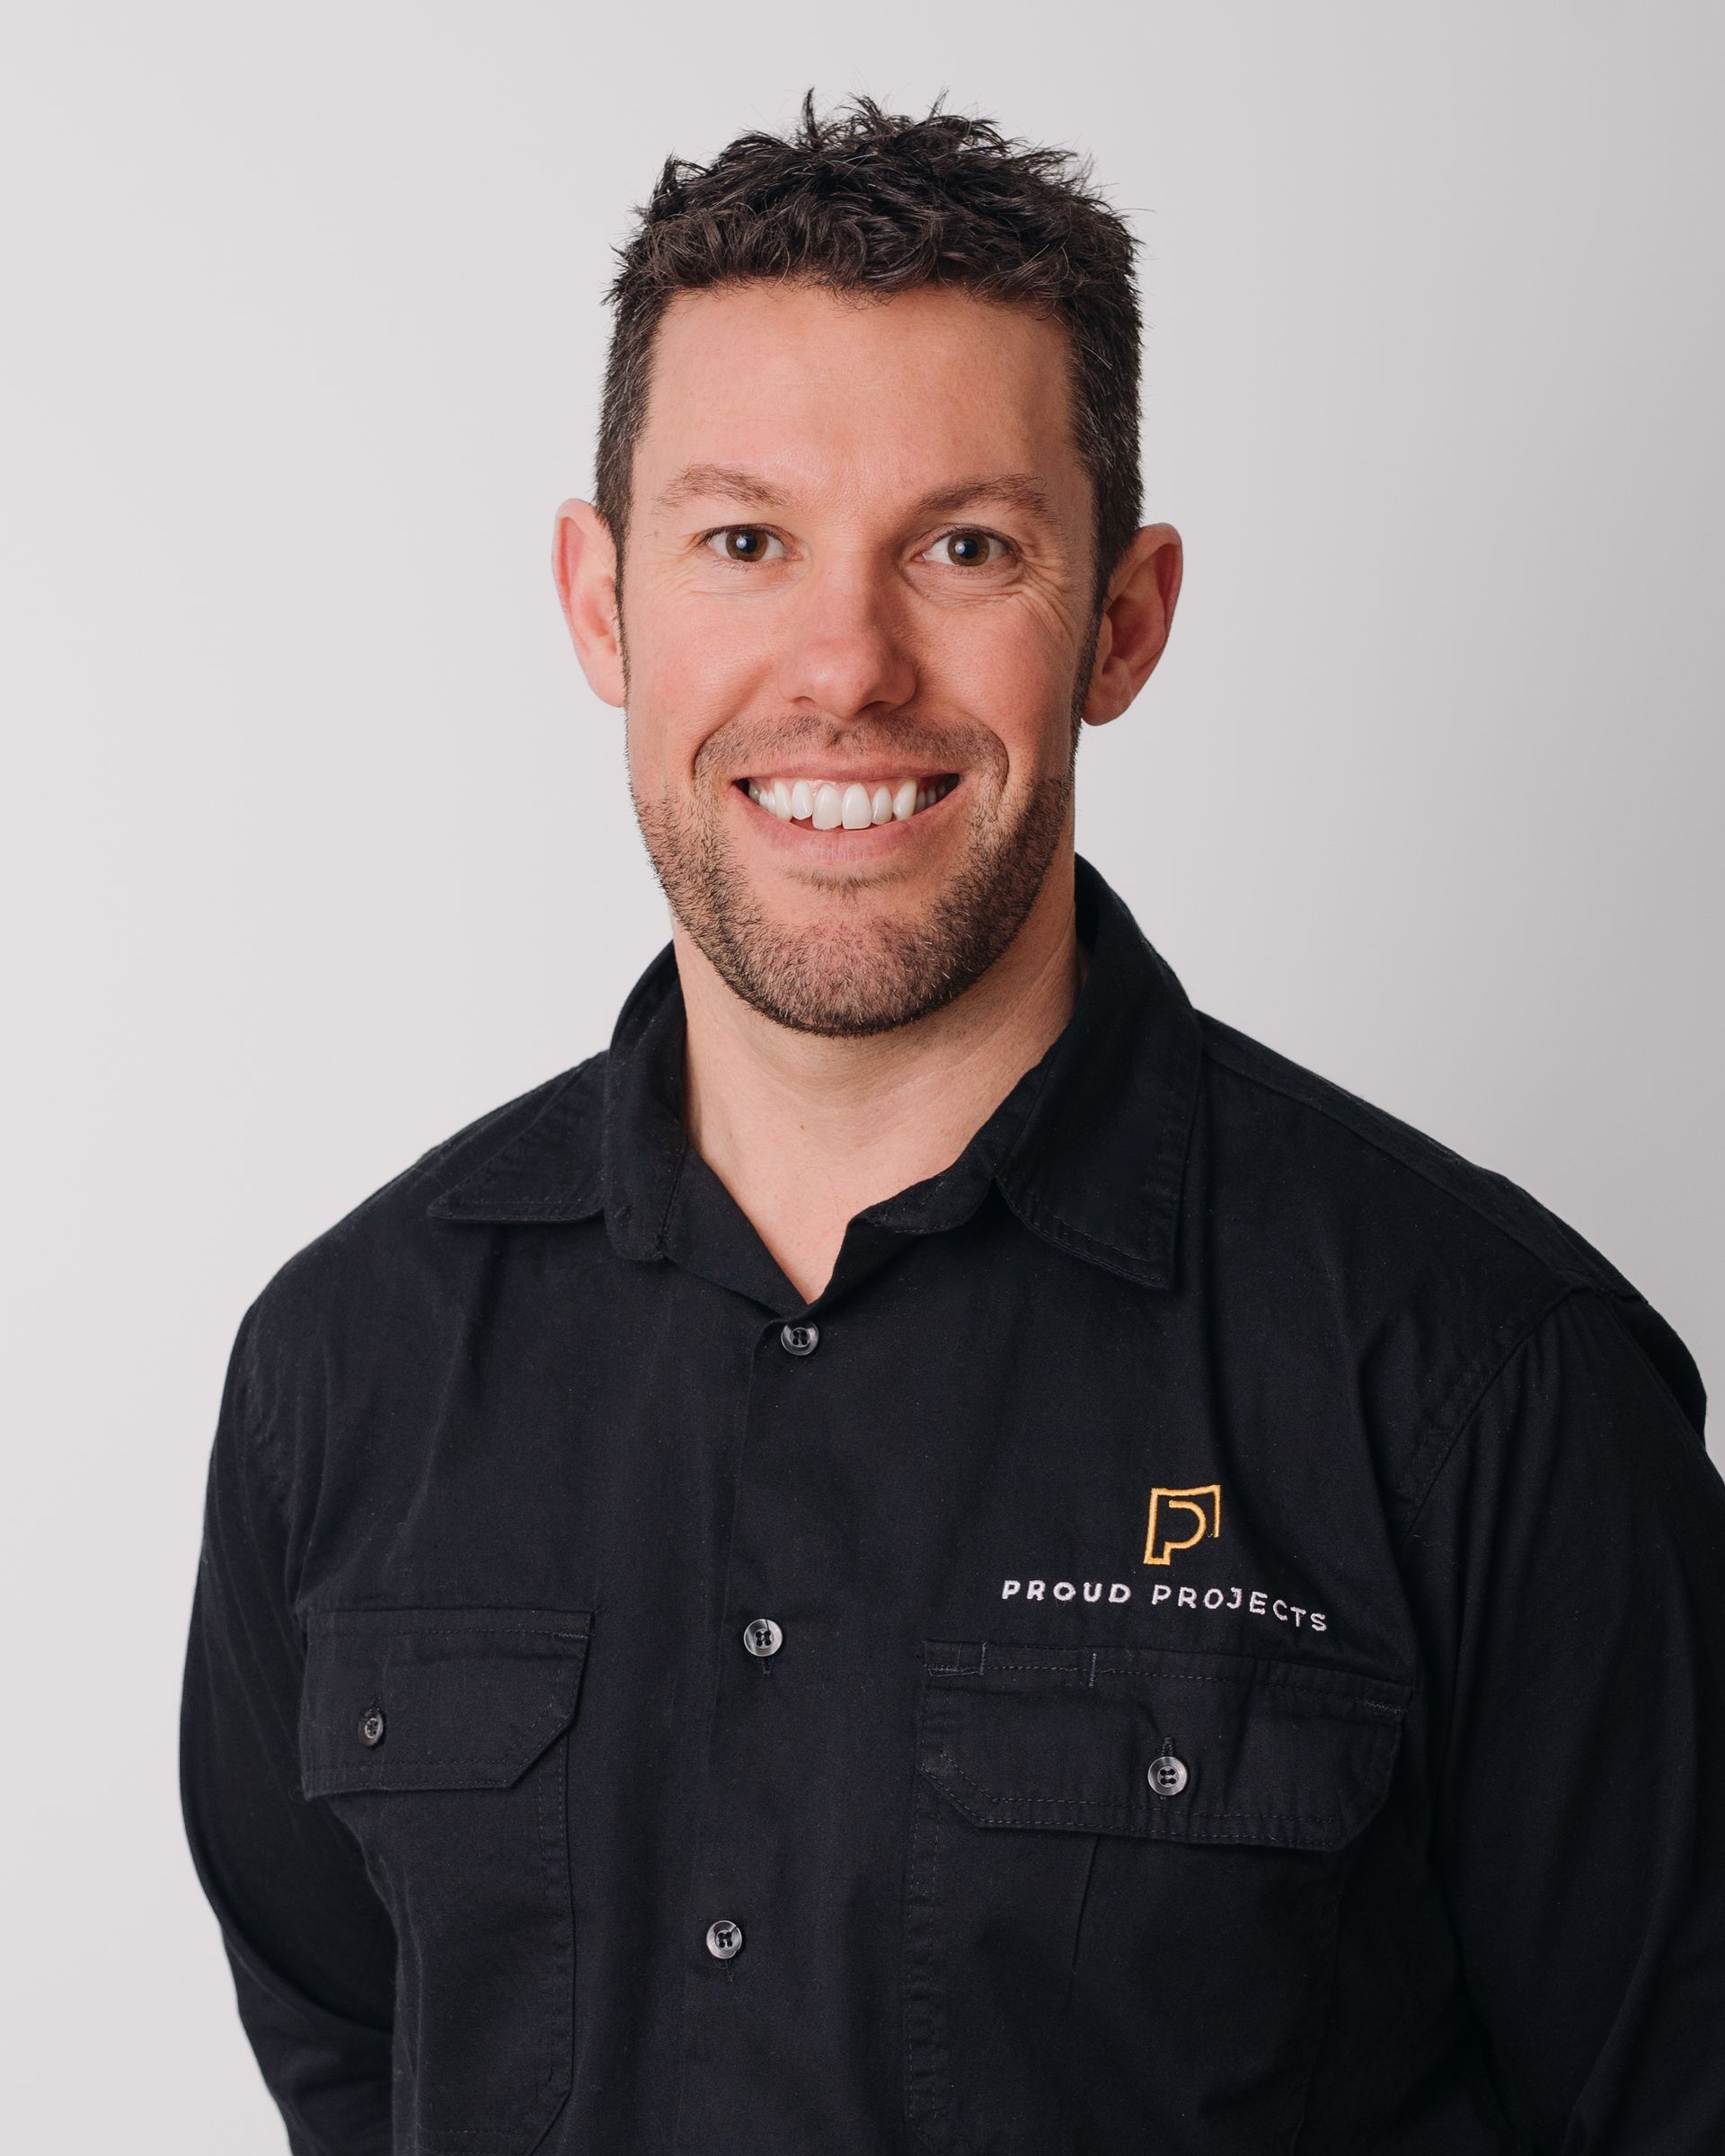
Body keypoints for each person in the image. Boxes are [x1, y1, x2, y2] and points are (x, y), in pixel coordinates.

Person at [180, 90, 1725, 2156]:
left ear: (1123, 619)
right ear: (601, 602)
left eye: (965, 547)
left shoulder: (1484, 1383)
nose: (846, 666)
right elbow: (350, 2060)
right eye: (745, 542)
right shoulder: (342, 1371)